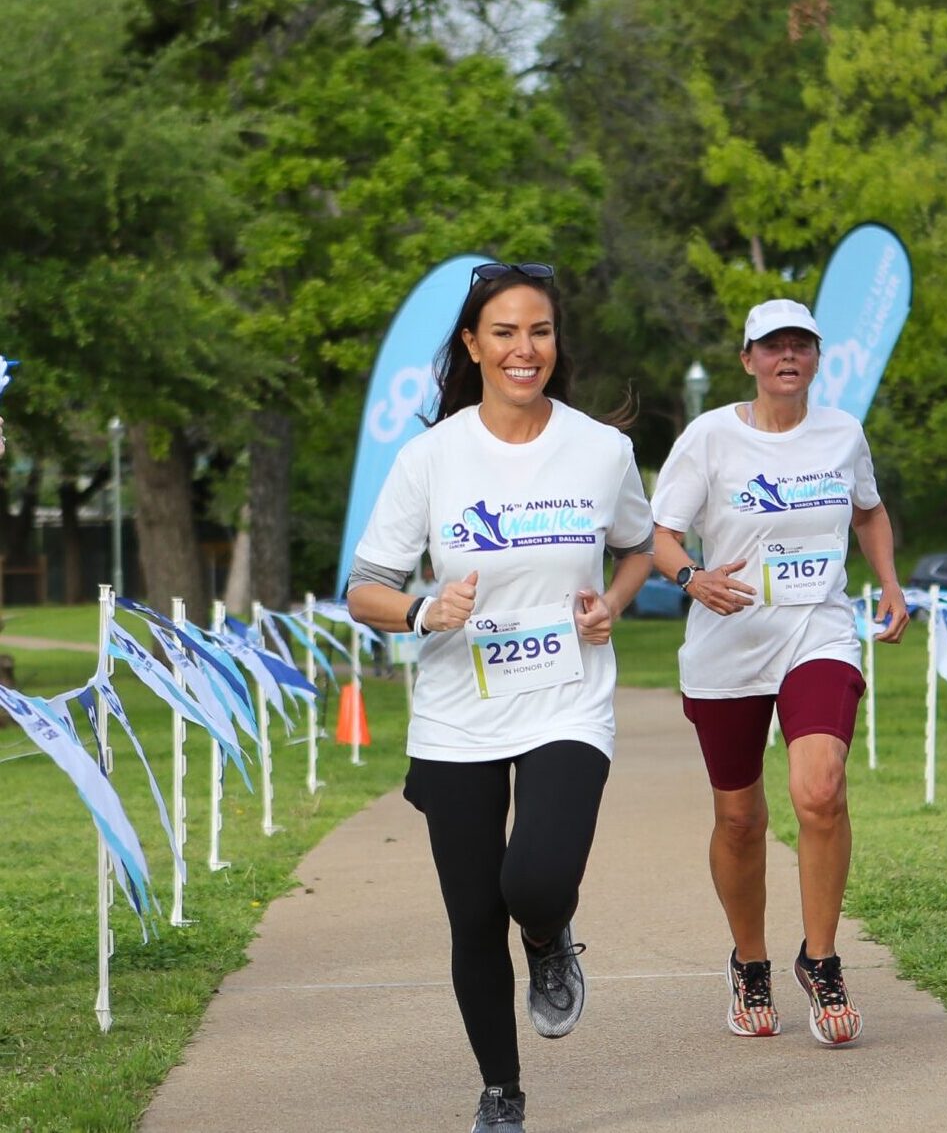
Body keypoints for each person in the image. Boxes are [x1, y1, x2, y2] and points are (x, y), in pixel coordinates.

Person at [347, 261, 654, 1133]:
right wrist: (422, 608)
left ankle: (551, 936)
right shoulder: (431, 457)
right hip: (457, 713)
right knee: (473, 913)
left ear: (557, 344)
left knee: (537, 877)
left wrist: (614, 603)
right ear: (474, 346)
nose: (527, 349)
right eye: (507, 332)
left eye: (542, 331)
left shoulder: (601, 449)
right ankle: (501, 1093)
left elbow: (638, 544)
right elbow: (364, 588)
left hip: (567, 699)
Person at [650, 297, 908, 1046]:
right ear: (748, 360)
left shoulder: (842, 434)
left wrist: (888, 583)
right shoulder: (710, 438)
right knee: (740, 818)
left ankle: (821, 961)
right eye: (771, 347)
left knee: (819, 790)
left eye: (800, 345)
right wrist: (693, 576)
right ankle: (751, 961)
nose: (786, 357)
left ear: (817, 359)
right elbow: (660, 534)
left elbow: (869, 512)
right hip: (729, 641)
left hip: (816, 630)